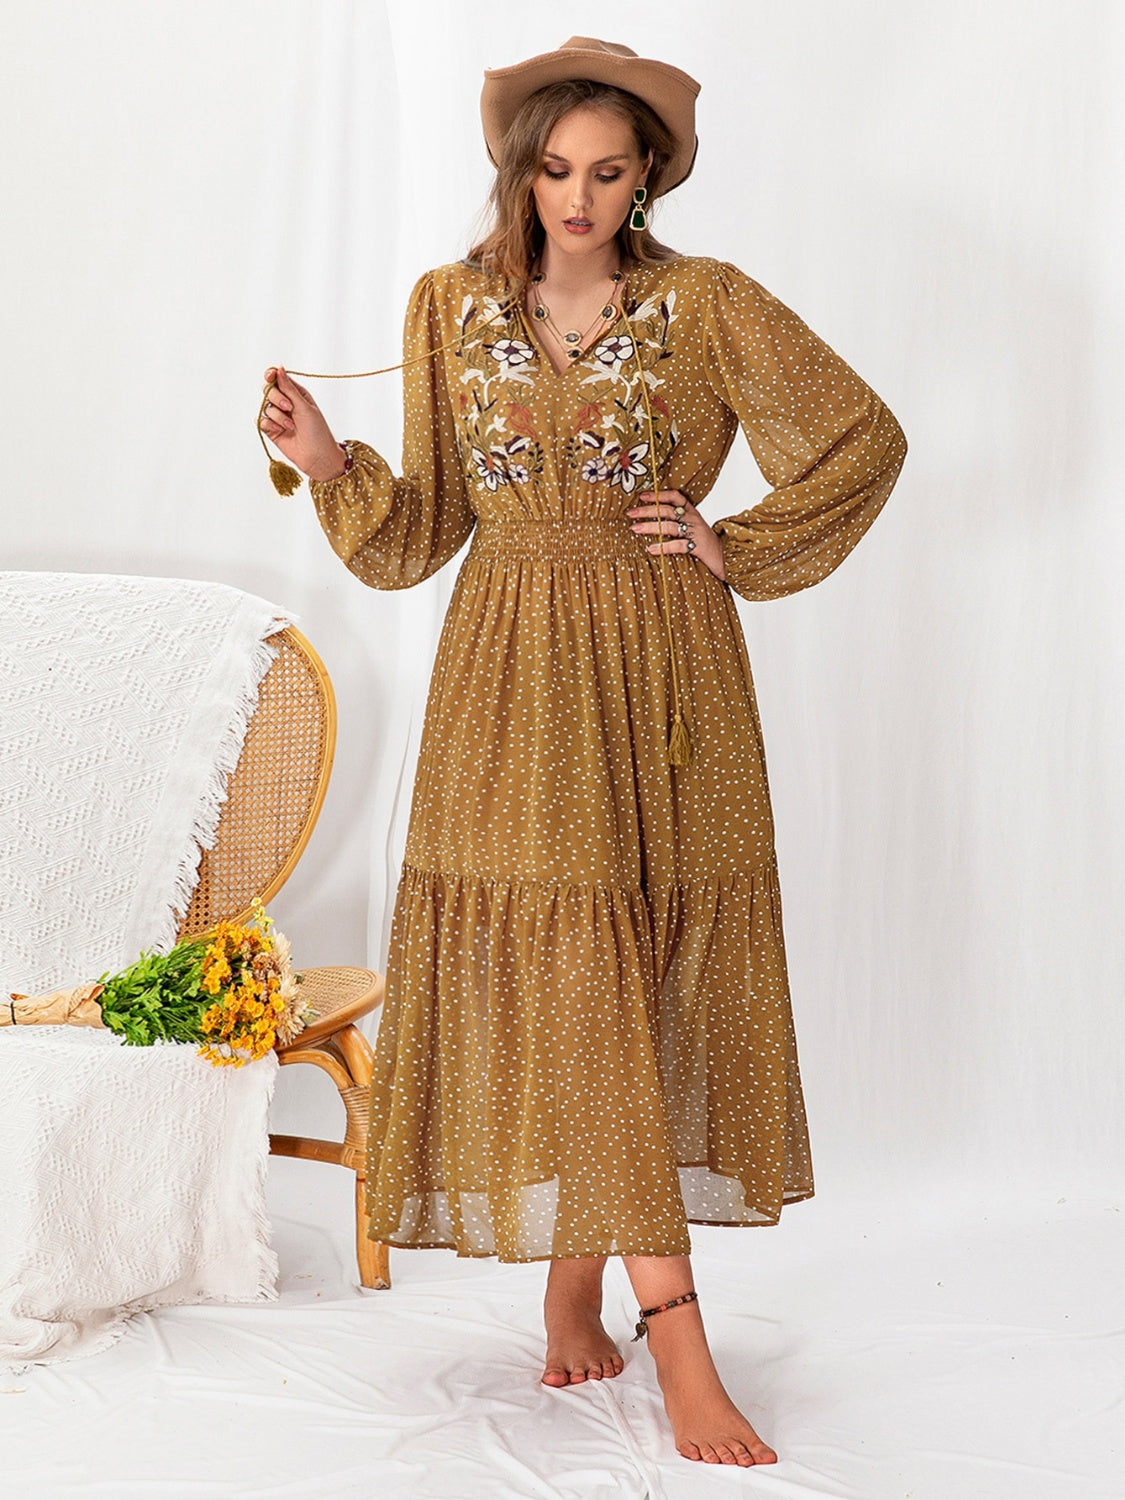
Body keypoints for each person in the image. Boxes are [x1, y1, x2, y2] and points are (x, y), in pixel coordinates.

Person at [260, 36, 906, 1468]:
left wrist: (731, 544)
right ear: (520, 172)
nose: (578, 197)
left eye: (609, 172)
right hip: (506, 674)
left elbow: (861, 437)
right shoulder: (450, 308)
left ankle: (594, 1295)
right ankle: (657, 1327)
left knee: (635, 965)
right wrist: (328, 462)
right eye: (556, 169)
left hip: (665, 671)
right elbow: (425, 534)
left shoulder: (704, 303)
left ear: (646, 180)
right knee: (567, 966)